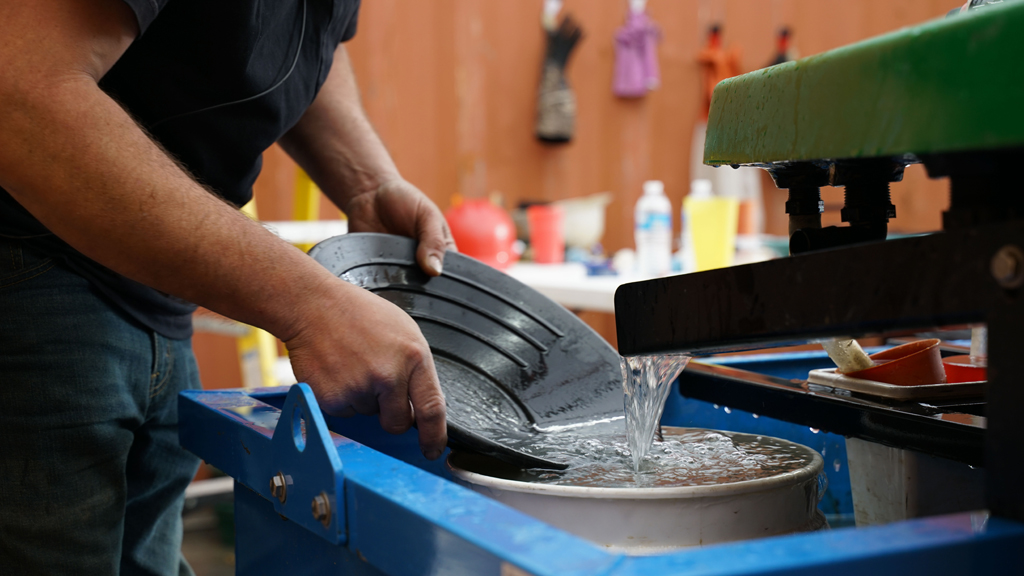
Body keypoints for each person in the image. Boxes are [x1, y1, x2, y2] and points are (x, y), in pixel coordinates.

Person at [0, 0, 452, 573]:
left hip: (159, 289)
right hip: (31, 270)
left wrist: (367, 181)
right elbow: (19, 90)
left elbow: (308, 36)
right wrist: (312, 306)